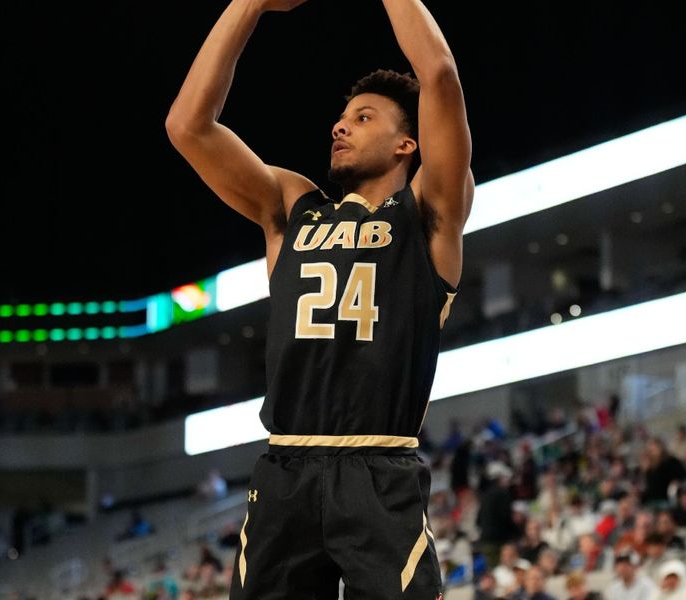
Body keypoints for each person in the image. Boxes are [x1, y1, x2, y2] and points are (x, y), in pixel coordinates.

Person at [166, 0, 473, 597]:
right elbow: (188, 127)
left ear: (408, 144)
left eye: (361, 118)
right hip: (284, 470)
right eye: (341, 117)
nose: (339, 126)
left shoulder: (429, 213)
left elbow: (438, 73)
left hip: (380, 468)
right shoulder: (290, 206)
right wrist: (249, 4)